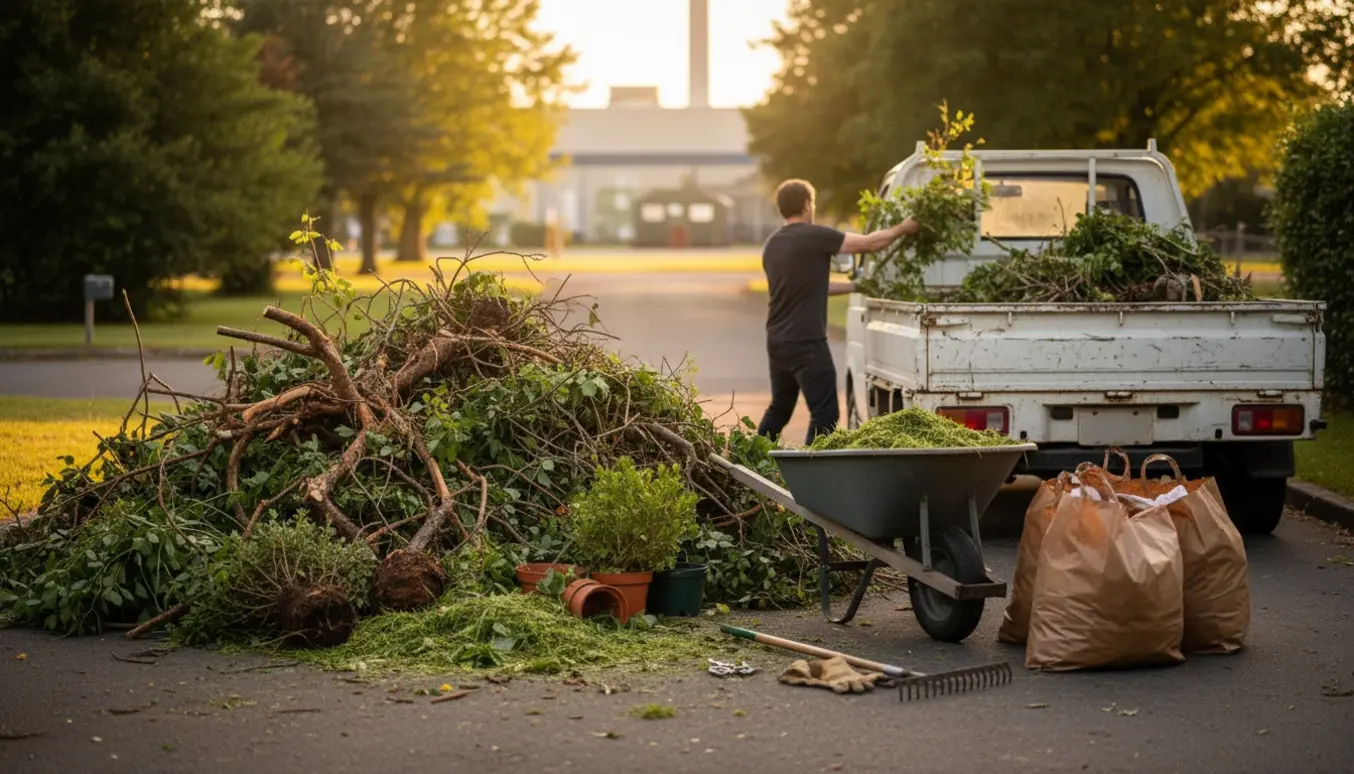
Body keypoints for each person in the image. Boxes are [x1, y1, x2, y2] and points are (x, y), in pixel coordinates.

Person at [756, 178, 919, 446]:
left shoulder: (772, 244)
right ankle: (812, 473)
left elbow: (810, 286)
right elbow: (868, 244)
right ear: (807, 205)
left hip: (777, 341)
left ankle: (751, 460)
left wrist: (856, 286)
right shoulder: (815, 235)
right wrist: (903, 228)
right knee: (826, 413)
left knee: (780, 408)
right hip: (806, 342)